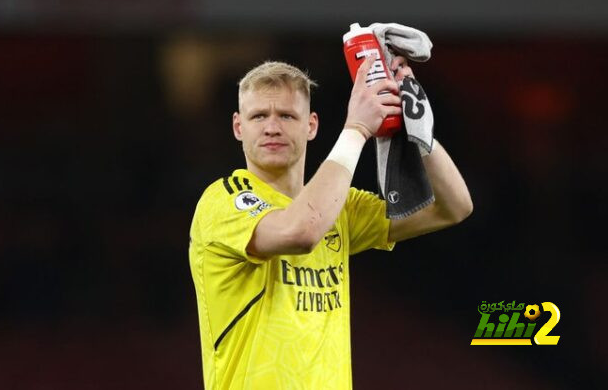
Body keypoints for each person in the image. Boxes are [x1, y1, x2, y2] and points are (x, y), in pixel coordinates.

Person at [189, 55, 472, 389]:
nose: (272, 127)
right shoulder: (222, 201)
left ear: (311, 125)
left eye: (286, 115)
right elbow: (302, 230)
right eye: (259, 116)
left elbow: (453, 207)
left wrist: (421, 133)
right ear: (239, 127)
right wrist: (356, 130)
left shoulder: (340, 206)